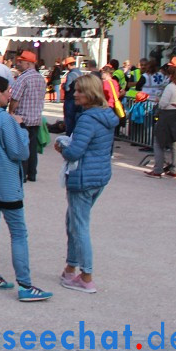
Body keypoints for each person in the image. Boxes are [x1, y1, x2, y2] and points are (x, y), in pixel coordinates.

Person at [0, 75, 51, 302]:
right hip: (4, 181)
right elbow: (20, 152)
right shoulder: (4, 120)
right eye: (7, 91)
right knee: (18, 232)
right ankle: (25, 285)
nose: (10, 95)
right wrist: (20, 128)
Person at [53, 73, 116, 294]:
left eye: (79, 91)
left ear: (90, 93)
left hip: (83, 176)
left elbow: (75, 152)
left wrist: (62, 147)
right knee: (73, 221)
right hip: (99, 175)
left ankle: (86, 276)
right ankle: (71, 268)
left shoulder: (87, 119)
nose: (75, 94)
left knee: (79, 226)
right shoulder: (106, 115)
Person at [145, 57, 176, 178]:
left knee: (159, 142)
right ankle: (175, 170)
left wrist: (159, 100)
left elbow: (163, 104)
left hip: (167, 115)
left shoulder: (170, 86)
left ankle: (158, 169)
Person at [8, 50, 45, 182]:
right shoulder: (41, 78)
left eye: (21, 62)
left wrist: (10, 112)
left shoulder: (23, 78)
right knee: (32, 147)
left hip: (22, 118)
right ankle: (32, 173)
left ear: (29, 63)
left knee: (21, 147)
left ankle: (22, 174)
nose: (18, 64)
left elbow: (15, 98)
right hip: (35, 117)